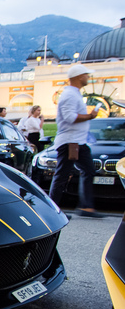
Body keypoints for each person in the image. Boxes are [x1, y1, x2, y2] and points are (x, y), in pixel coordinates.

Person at [49, 64, 103, 218]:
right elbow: (70, 117)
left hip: (78, 142)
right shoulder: (70, 95)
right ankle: (53, 210)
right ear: (79, 77)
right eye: (86, 75)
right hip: (70, 142)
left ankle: (86, 207)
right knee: (62, 175)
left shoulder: (75, 94)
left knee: (88, 171)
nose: (88, 77)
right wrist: (91, 116)